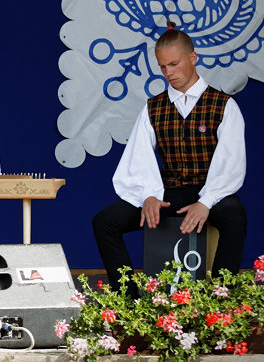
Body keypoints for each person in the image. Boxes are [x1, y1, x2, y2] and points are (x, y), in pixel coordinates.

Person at [92, 24, 247, 293]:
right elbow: (138, 158)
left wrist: (206, 202)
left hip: (210, 192)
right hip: (169, 192)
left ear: (193, 58)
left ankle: (221, 300)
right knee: (105, 221)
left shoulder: (223, 105)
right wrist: (149, 196)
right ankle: (128, 300)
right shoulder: (153, 107)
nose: (169, 73)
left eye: (174, 64)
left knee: (235, 216)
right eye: (163, 67)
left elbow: (231, 164)